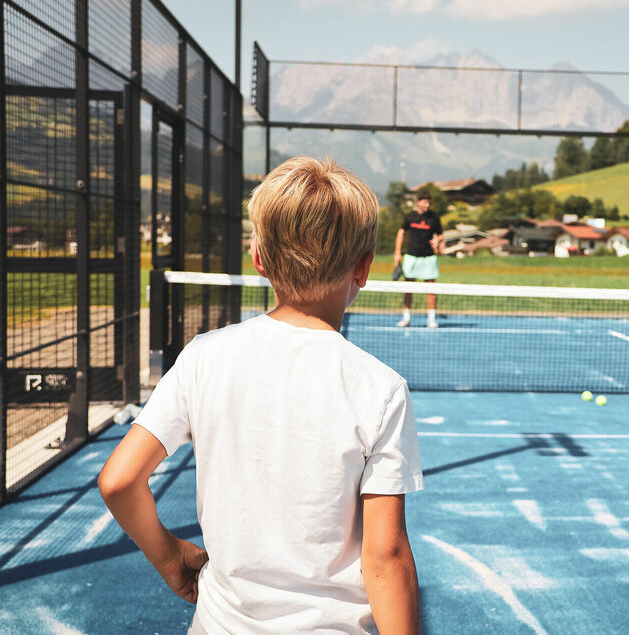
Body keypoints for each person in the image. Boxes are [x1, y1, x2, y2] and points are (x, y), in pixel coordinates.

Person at [99, 157, 423, 635]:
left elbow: (119, 481)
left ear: (259, 260)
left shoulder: (203, 356)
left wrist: (170, 557)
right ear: (363, 269)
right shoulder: (380, 388)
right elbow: (386, 556)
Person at [394, 191, 444, 329]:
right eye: (424, 201)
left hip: (429, 258)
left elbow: (440, 235)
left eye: (429, 202)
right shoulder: (410, 217)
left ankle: (432, 319)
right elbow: (401, 232)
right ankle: (406, 318)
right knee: (408, 288)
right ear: (418, 202)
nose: (427, 204)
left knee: (431, 289)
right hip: (411, 257)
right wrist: (398, 253)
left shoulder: (434, 218)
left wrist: (437, 240)